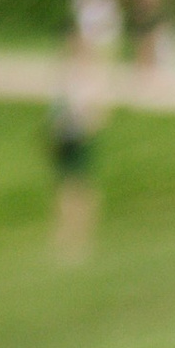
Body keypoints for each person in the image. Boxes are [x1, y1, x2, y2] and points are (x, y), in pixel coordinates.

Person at [46, 85, 101, 263]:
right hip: (72, 142)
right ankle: (71, 237)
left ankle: (73, 237)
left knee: (75, 190)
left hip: (74, 142)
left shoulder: (71, 92)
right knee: (74, 190)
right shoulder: (71, 92)